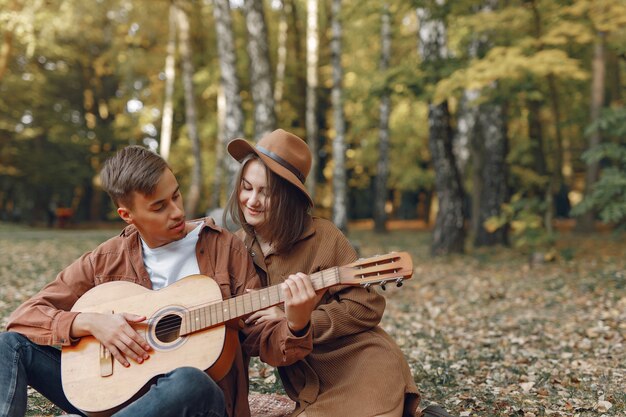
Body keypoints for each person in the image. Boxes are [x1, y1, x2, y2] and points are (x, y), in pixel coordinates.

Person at [0, 145, 316, 417]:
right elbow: (23, 319)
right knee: (9, 346)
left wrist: (297, 324)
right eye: (159, 207)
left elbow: (262, 337)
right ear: (127, 215)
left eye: (176, 195)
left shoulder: (224, 248)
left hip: (197, 404)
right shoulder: (107, 257)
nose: (177, 212)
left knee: (189, 381)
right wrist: (90, 323)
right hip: (112, 398)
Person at [224, 129, 425, 417]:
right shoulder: (237, 247)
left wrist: (302, 320)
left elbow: (367, 306)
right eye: (246, 187)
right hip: (305, 379)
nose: (252, 201)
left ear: (289, 198)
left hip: (361, 364)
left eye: (265, 192)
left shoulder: (324, 237)